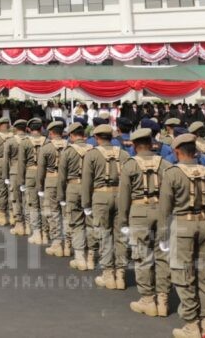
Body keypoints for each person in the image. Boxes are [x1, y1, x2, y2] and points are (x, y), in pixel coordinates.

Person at [159, 133, 205, 338]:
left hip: (182, 224)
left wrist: (163, 235)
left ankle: (192, 324)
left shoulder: (172, 173)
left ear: (177, 151)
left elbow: (165, 208)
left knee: (182, 274)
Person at [116, 128, 171, 318]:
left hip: (139, 212)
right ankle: (163, 299)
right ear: (151, 143)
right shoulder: (165, 163)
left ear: (134, 145)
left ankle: (148, 299)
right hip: (163, 211)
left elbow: (123, 196)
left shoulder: (130, 165)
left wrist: (122, 220)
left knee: (142, 255)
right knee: (163, 256)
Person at [81, 124, 130, 290]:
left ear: (96, 137)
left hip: (100, 197)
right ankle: (121, 274)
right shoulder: (123, 154)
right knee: (121, 236)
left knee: (103, 234)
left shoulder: (92, 154)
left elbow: (87, 181)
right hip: (121, 196)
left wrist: (86, 203)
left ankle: (108, 273)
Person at [58, 122, 91, 270]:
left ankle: (80, 258)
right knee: (90, 223)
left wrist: (61, 196)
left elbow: (62, 177)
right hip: (91, 188)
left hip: (73, 187)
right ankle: (91, 257)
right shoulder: (93, 150)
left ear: (71, 135)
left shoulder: (68, 151)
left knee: (76, 223)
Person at [38, 121, 69, 257]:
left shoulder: (46, 148)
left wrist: (40, 186)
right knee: (67, 213)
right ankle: (68, 244)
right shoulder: (70, 146)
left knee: (53, 212)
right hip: (68, 181)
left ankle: (57, 244)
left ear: (51, 133)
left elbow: (41, 170)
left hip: (51, 181)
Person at [19, 118, 47, 244]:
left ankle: (37, 232)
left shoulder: (25, 142)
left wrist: (21, 181)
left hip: (30, 174)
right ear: (41, 129)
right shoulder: (47, 141)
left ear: (29, 129)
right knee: (45, 204)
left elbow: (21, 163)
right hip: (45, 175)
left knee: (33, 204)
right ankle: (46, 233)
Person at [6, 119, 28, 236]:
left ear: (15, 128)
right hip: (28, 172)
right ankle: (29, 225)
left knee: (16, 198)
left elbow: (6, 160)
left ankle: (19, 224)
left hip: (14, 172)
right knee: (28, 198)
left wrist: (6, 176)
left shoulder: (10, 141)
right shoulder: (30, 141)